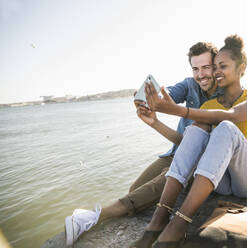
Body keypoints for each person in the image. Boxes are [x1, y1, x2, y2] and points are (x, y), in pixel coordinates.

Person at [64, 42, 223, 246]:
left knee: (161, 182)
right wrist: (149, 100)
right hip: (176, 151)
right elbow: (168, 95)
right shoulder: (189, 84)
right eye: (195, 68)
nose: (200, 74)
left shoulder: (223, 98)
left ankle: (92, 217)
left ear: (216, 66)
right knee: (135, 190)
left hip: (199, 161)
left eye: (206, 67)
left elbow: (202, 143)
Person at [136, 34, 247, 247]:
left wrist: (178, 110)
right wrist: (155, 120)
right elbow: (189, 142)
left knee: (226, 126)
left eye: (223, 66)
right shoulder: (208, 107)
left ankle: (180, 222)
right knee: (196, 129)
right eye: (215, 66)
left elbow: (236, 115)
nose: (216, 71)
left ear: (242, 68)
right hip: (222, 181)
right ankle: (161, 215)